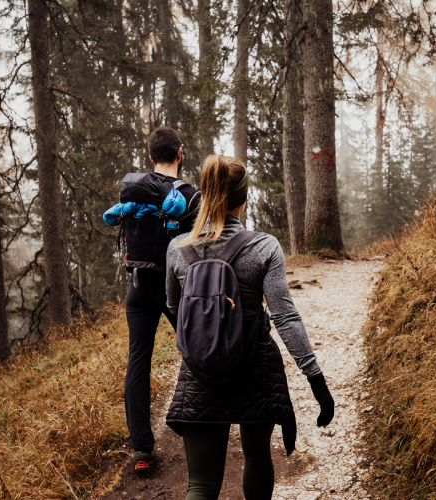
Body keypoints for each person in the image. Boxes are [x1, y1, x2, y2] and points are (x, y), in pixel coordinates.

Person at [164, 155, 335, 500]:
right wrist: (315, 378)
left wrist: (203, 339)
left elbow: (173, 306)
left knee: (201, 484)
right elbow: (285, 316)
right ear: (243, 199)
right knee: (257, 454)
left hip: (199, 372)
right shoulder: (264, 246)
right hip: (255, 367)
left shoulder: (177, 249)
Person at [118, 126, 200, 471]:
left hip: (137, 287)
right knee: (196, 351)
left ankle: (141, 450)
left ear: (151, 157)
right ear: (179, 154)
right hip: (175, 291)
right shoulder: (191, 196)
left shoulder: (134, 189)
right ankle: (199, 426)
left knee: (139, 359)